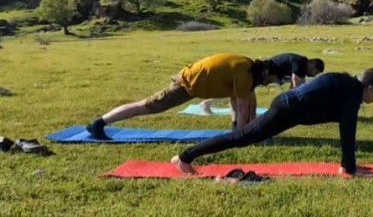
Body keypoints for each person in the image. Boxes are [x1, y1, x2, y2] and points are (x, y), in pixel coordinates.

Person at [171, 69, 373, 176]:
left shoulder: (348, 85)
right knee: (241, 137)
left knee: (243, 137)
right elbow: (347, 133)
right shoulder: (351, 95)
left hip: (288, 107)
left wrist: (347, 165)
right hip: (286, 109)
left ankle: (185, 156)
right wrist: (349, 168)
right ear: (370, 87)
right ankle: (185, 157)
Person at [85, 53, 280, 139]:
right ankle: (99, 123)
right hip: (186, 85)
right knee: (147, 106)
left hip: (192, 80)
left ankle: (100, 122)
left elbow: (235, 101)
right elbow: (243, 108)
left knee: (147, 106)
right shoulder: (245, 75)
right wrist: (242, 135)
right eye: (272, 80)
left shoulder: (246, 65)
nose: (270, 83)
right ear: (265, 72)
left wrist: (236, 129)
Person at [197, 53, 324, 114]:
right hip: (264, 73)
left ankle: (207, 102)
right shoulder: (301, 62)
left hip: (269, 75)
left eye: (315, 74)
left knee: (240, 91)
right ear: (311, 63)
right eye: (314, 71)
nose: (313, 74)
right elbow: (297, 86)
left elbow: (295, 86)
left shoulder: (300, 65)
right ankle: (206, 103)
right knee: (240, 91)